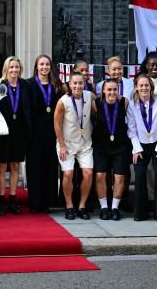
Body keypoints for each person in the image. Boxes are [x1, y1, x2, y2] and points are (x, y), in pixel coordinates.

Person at [127, 74, 157, 223]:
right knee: (139, 175)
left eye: (147, 85)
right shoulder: (132, 105)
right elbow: (131, 129)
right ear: (136, 88)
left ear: (151, 87)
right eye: (141, 85)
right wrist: (136, 149)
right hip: (140, 145)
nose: (144, 88)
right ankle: (141, 212)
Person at [54, 72, 95, 220]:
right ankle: (69, 206)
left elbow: (97, 113)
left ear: (84, 84)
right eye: (75, 83)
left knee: (88, 174)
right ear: (69, 85)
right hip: (67, 143)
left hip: (85, 143)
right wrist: (62, 146)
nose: (77, 86)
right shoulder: (63, 101)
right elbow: (57, 124)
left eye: (80, 83)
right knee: (68, 174)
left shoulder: (90, 96)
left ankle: (82, 206)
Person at [27, 54, 65, 213]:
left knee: (50, 166)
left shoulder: (56, 85)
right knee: (35, 167)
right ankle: (36, 203)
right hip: (35, 131)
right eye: (41, 64)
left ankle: (48, 202)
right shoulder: (29, 84)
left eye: (47, 64)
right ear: (36, 66)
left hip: (52, 130)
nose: (44, 67)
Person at [0, 56, 31, 216]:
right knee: (2, 166)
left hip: (19, 131)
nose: (14, 70)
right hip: (3, 131)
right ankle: (1, 201)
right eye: (11, 67)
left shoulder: (25, 85)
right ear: (6, 69)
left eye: (17, 67)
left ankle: (13, 200)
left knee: (15, 166)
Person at [92, 79, 131, 221]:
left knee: (119, 177)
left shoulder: (124, 103)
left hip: (120, 146)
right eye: (109, 89)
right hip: (101, 146)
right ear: (103, 90)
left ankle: (114, 207)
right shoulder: (96, 104)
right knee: (100, 176)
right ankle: (104, 207)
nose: (112, 92)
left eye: (115, 89)